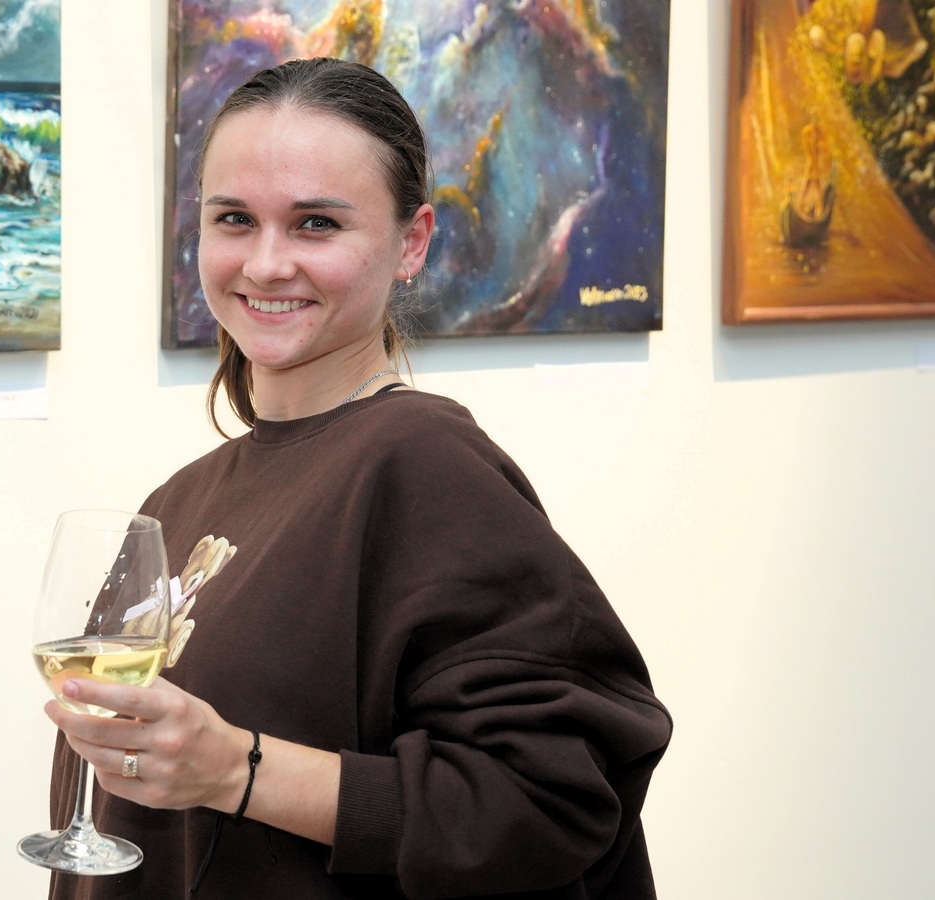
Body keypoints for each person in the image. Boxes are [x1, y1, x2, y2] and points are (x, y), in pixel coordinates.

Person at [45, 57, 671, 899]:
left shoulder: (424, 465)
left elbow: (549, 799)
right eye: (235, 219)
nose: (266, 263)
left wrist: (236, 769)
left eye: (315, 224)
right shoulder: (179, 500)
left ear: (412, 242)